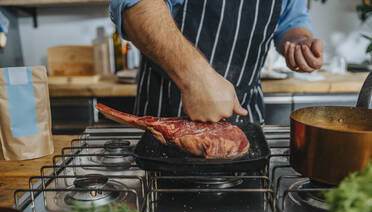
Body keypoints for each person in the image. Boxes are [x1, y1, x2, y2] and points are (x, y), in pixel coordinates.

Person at [109, 0, 323, 124]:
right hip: (167, 117)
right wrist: (195, 78)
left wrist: (299, 41)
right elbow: (135, 6)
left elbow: (292, 20)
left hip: (245, 118)